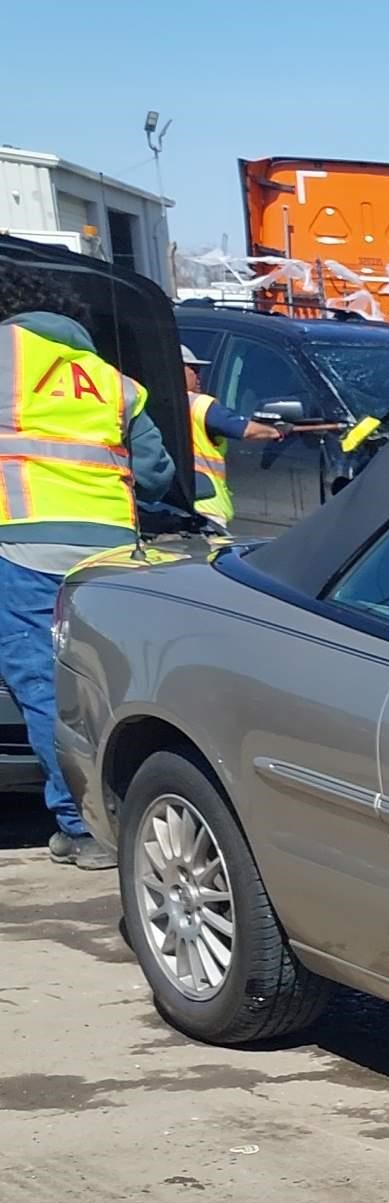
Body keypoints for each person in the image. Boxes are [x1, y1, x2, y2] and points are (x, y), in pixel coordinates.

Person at [0, 310, 177, 868]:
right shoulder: (113, 382)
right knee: (109, 682)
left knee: (42, 686)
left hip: (23, 547)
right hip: (112, 555)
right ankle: (130, 813)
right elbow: (156, 475)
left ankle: (80, 827)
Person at [179, 345, 284, 528]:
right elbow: (242, 429)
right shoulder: (199, 404)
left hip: (171, 505)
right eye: (193, 370)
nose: (199, 377)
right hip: (206, 508)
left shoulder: (150, 402)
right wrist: (275, 431)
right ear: (177, 370)